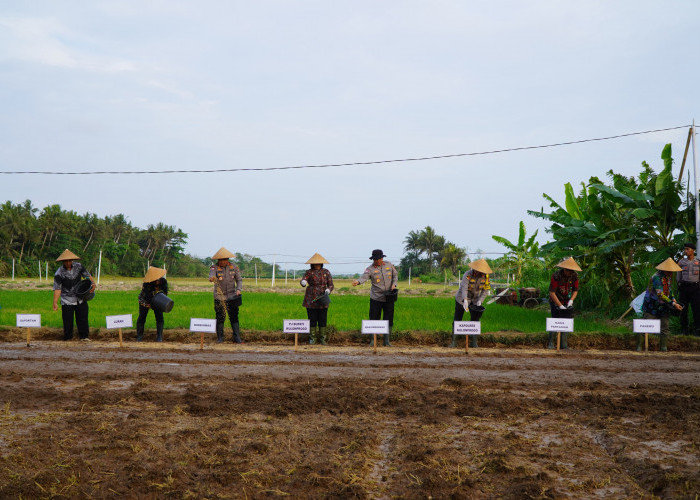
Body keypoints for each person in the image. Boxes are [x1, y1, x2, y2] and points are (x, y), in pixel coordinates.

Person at [352, 249, 398, 346]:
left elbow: (395, 275)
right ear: (373, 259)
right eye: (375, 259)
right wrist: (358, 282)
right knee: (374, 318)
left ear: (382, 258)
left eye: (379, 259)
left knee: (388, 318)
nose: (377, 261)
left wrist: (394, 284)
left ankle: (386, 341)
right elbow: (364, 277)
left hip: (389, 297)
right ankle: (373, 341)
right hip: (376, 298)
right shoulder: (370, 269)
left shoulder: (389, 265)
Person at [52, 249, 96, 341]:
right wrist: (55, 302)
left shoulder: (79, 266)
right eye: (66, 261)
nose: (68, 262)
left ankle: (84, 337)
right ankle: (68, 338)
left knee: (83, 318)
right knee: (67, 321)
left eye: (69, 260)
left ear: (72, 260)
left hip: (80, 297)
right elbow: (57, 288)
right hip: (67, 299)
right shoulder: (59, 273)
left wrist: (93, 283)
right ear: (62, 261)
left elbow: (87, 276)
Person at [641, 258, 683, 352]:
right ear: (665, 270)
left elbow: (670, 290)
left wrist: (673, 299)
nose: (672, 273)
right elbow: (660, 294)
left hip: (664, 306)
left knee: (665, 327)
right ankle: (639, 348)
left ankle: (663, 349)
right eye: (670, 271)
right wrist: (672, 303)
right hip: (652, 306)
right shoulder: (656, 277)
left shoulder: (668, 277)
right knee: (645, 326)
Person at [451, 259, 492, 348]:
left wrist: (480, 300)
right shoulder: (468, 274)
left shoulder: (486, 277)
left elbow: (485, 290)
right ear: (475, 269)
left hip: (475, 300)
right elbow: (464, 287)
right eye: (479, 270)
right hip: (461, 299)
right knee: (457, 319)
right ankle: (454, 342)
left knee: (475, 320)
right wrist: (465, 300)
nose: (480, 272)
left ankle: (473, 342)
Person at [209, 247, 243, 343]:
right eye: (220, 260)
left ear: (227, 259)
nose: (221, 262)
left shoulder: (234, 267)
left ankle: (237, 338)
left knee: (234, 317)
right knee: (220, 317)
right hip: (219, 297)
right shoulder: (214, 268)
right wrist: (212, 278)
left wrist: (238, 289)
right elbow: (211, 276)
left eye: (223, 260)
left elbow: (239, 280)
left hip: (232, 296)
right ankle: (220, 338)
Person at [300, 253, 334, 345]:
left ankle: (323, 338)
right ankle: (312, 338)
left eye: (318, 263)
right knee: (312, 318)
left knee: (323, 318)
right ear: (312, 264)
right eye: (315, 263)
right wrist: (303, 282)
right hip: (311, 297)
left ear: (321, 263)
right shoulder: (309, 272)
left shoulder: (326, 272)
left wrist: (328, 290)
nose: (317, 265)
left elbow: (331, 284)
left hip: (323, 296)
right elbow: (304, 279)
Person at [547, 257, 581, 350]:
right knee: (555, 320)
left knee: (566, 322)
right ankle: (550, 343)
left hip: (567, 301)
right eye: (568, 270)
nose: (569, 273)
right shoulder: (556, 276)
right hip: (556, 300)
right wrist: (560, 305)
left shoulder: (574, 276)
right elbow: (552, 293)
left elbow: (575, 290)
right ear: (564, 269)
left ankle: (563, 345)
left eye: (571, 271)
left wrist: (571, 300)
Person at [136, 267, 168, 342]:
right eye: (155, 280)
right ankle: (139, 336)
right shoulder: (147, 284)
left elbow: (165, 294)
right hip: (145, 300)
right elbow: (144, 297)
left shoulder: (163, 282)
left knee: (159, 318)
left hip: (158, 300)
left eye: (158, 279)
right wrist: (148, 305)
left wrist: (160, 303)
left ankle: (159, 336)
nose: (157, 281)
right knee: (142, 317)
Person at [677, 242, 700, 336]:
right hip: (684, 288)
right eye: (685, 249)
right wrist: (679, 284)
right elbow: (678, 276)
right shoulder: (681, 262)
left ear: (693, 250)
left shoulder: (698, 261)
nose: (685, 251)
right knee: (683, 309)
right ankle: (684, 330)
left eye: (687, 249)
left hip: (695, 288)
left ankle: (697, 330)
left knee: (697, 310)